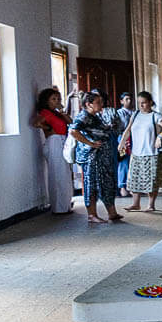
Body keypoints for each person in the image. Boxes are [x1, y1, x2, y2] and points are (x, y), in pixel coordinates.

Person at [68, 90, 123, 224]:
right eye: (98, 102)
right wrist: (90, 143)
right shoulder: (83, 116)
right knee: (91, 184)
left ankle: (112, 213)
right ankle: (92, 215)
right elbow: (73, 131)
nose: (101, 104)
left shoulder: (96, 116)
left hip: (103, 156)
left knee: (107, 182)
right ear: (89, 104)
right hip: (91, 157)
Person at [119, 91, 162, 211]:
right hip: (137, 152)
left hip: (152, 153)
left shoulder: (155, 116)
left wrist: (160, 136)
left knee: (151, 181)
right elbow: (128, 130)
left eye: (144, 103)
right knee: (134, 179)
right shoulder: (135, 114)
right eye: (139, 103)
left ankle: (151, 205)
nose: (141, 106)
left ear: (150, 103)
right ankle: (135, 203)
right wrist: (122, 142)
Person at [28, 87, 73, 214]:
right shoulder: (45, 113)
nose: (56, 101)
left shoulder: (57, 113)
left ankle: (65, 205)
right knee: (57, 174)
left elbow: (71, 122)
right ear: (46, 101)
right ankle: (58, 207)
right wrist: (48, 128)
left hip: (62, 141)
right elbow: (36, 123)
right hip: (54, 142)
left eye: (58, 99)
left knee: (64, 174)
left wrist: (62, 110)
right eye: (53, 99)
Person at [114, 92, 137, 197]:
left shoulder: (135, 112)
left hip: (134, 139)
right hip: (123, 138)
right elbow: (121, 127)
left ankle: (132, 186)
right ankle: (122, 186)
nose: (129, 101)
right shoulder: (119, 113)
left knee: (133, 162)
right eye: (126, 99)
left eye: (130, 99)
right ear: (121, 101)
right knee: (123, 161)